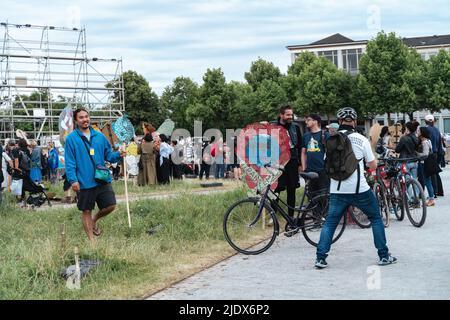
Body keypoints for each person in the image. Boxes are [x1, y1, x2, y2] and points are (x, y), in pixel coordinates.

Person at [315, 107, 396, 269]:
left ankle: (320, 258)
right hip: (360, 189)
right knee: (375, 218)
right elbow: (372, 165)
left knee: (330, 222)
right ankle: (383, 255)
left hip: (337, 189)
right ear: (354, 121)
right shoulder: (361, 139)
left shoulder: (332, 139)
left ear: (339, 122)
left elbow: (327, 163)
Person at [65, 108, 126, 241]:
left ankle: (94, 220)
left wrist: (119, 155)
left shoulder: (99, 136)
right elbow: (70, 162)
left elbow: (109, 155)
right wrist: (73, 180)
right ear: (76, 120)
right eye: (81, 117)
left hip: (102, 178)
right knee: (86, 210)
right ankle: (92, 242)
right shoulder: (71, 139)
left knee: (111, 205)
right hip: (83, 181)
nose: (85, 119)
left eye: (86, 116)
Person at [272, 105, 302, 218]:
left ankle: (290, 215)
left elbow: (299, 145)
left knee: (292, 189)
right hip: (278, 162)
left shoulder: (296, 127)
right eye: (288, 115)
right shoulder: (273, 127)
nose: (291, 117)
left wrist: (300, 163)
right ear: (281, 115)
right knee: (276, 189)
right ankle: (273, 214)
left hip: (292, 162)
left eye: (291, 114)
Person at [301, 114, 329, 195]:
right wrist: (304, 168)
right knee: (311, 195)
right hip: (309, 171)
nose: (306, 122)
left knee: (323, 196)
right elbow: (303, 153)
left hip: (322, 171)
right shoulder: (306, 136)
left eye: (309, 120)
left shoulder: (325, 135)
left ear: (315, 121)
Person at [425, 115, 444, 197]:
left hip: (430, 154)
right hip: (437, 153)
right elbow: (440, 143)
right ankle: (439, 191)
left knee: (431, 173)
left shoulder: (426, 130)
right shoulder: (437, 130)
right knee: (435, 172)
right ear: (433, 121)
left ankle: (434, 191)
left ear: (426, 121)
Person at [417, 127, 435, 206]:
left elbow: (425, 154)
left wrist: (416, 154)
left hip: (425, 163)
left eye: (419, 131)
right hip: (427, 163)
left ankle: (431, 199)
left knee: (427, 181)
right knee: (428, 181)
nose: (417, 132)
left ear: (422, 133)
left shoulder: (424, 142)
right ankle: (431, 198)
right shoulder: (428, 140)